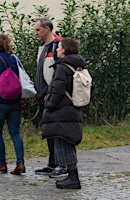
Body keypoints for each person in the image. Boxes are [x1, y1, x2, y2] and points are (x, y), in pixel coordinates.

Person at [41, 38, 84, 189]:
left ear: (65, 50)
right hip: (70, 110)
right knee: (66, 142)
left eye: (59, 47)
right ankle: (71, 175)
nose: (57, 50)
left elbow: (57, 90)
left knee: (63, 143)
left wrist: (49, 104)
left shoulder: (62, 67)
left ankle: (73, 177)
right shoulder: (76, 66)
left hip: (61, 112)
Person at [0, 34, 26, 175]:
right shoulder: (15, 60)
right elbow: (23, 79)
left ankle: (1, 163)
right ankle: (20, 162)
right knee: (15, 133)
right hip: (15, 102)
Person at [33, 17, 67, 178]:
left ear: (47, 29)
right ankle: (52, 162)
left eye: (38, 30)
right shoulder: (43, 47)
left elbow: (60, 73)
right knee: (48, 130)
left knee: (57, 130)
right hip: (42, 95)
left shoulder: (57, 45)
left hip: (52, 95)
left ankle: (62, 163)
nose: (36, 33)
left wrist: (51, 92)